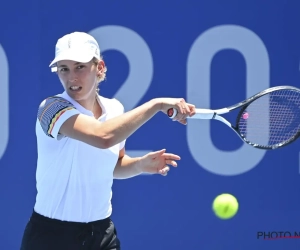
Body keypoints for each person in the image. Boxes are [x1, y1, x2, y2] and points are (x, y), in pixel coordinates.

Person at [20, 31, 195, 250]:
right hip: (51, 238)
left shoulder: (115, 109)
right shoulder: (51, 108)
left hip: (102, 234)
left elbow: (113, 165)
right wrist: (157, 104)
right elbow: (103, 137)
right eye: (64, 69)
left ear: (100, 67)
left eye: (80, 67)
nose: (71, 77)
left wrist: (140, 165)